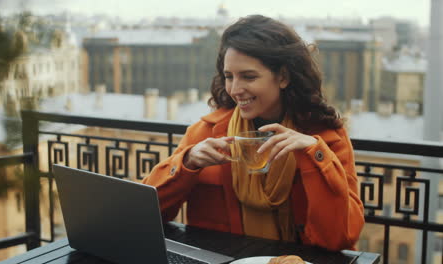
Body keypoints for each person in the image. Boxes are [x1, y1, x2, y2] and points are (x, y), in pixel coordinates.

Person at [143, 14, 364, 251]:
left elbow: (339, 238)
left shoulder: (327, 139)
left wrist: (314, 156)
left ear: (283, 77)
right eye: (229, 77)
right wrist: (187, 163)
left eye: (249, 76)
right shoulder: (208, 132)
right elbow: (146, 215)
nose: (235, 90)